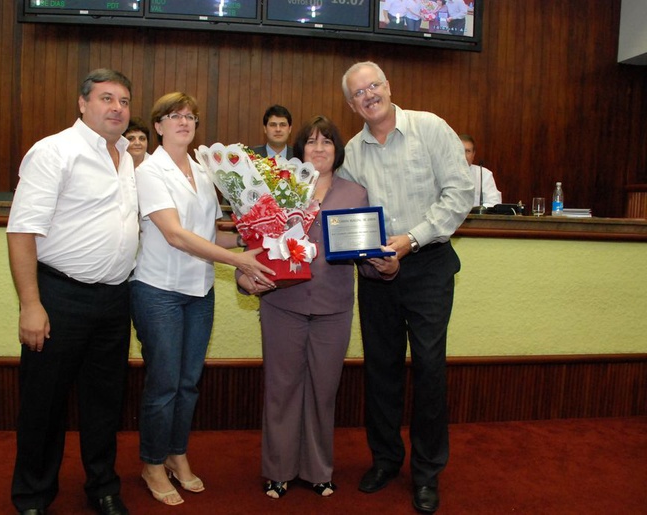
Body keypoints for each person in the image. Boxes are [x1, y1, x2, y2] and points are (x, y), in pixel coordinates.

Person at [237, 115, 399, 500]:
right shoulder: (277, 192)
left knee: (324, 391)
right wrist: (245, 278)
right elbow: (256, 244)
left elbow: (364, 255)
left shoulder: (355, 194)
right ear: (300, 150)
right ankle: (277, 470)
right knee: (281, 389)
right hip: (282, 303)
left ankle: (317, 470)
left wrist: (385, 267)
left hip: (334, 306)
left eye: (327, 142)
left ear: (337, 150)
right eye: (311, 142)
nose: (319, 148)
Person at [338, 61, 473, 514]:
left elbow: (459, 193)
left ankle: (427, 472)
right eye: (359, 92)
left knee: (430, 369)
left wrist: (411, 242)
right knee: (381, 368)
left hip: (428, 264)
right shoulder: (352, 152)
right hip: (377, 270)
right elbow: (353, 220)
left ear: (389, 87)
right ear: (351, 103)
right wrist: (376, 257)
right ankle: (385, 460)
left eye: (374, 85)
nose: (369, 95)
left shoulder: (430, 128)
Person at [130, 92, 275, 507]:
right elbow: (175, 234)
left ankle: (176, 453)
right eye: (174, 116)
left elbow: (209, 232)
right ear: (157, 125)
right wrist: (237, 260)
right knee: (164, 383)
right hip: (158, 290)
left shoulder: (200, 169)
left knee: (189, 383)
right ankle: (152, 463)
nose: (184, 122)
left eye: (190, 116)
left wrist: (263, 237)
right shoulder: (149, 171)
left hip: (200, 291)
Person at [6, 68, 138, 515]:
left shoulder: (128, 158)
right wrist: (30, 304)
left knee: (105, 403)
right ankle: (32, 496)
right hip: (60, 297)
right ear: (82, 103)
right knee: (44, 403)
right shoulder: (53, 151)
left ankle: (102, 487)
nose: (117, 108)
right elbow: (22, 231)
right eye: (106, 98)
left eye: (123, 100)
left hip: (115, 300)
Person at [460, 134, 502, 208]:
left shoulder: (484, 174)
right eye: (460, 150)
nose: (464, 155)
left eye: (468, 151)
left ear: (473, 154)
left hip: (476, 218)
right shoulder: (442, 173)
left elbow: (494, 203)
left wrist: (476, 210)